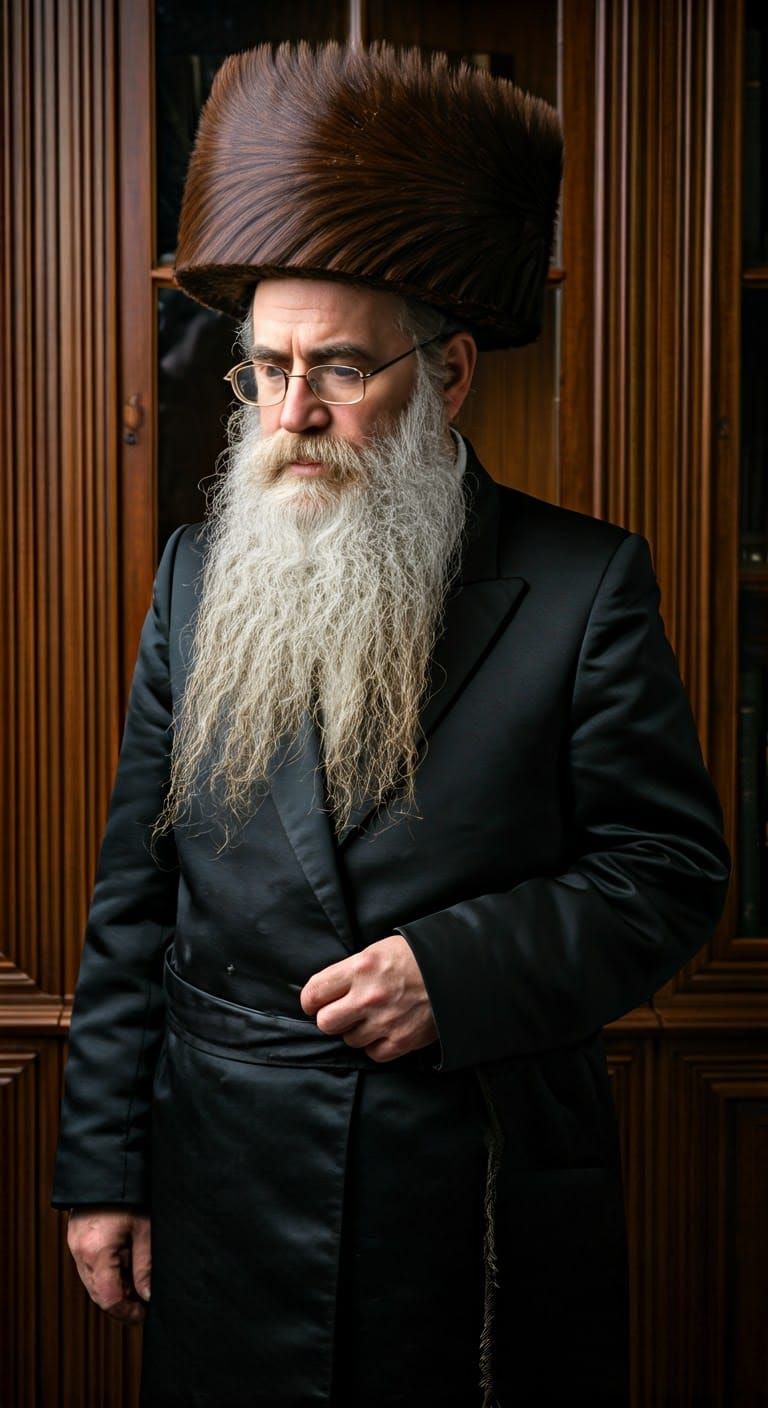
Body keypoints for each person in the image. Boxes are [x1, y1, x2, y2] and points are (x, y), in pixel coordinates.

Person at [53, 42, 730, 1408]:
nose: (294, 416)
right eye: (268, 371)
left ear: (452, 372)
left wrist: (457, 968)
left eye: (343, 371)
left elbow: (669, 875)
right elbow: (136, 894)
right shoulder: (196, 574)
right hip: (227, 1178)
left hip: (466, 1186)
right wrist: (102, 1174)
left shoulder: (584, 582)